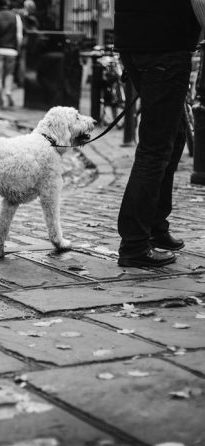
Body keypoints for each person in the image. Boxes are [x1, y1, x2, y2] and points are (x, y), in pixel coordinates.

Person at [111, 0, 201, 267]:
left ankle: (154, 226)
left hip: (137, 41)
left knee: (175, 137)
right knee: (156, 147)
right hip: (164, 46)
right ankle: (135, 243)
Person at [0, 0, 23, 109]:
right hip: (12, 50)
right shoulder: (16, 16)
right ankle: (8, 91)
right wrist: (17, 48)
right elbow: (19, 36)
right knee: (9, 74)